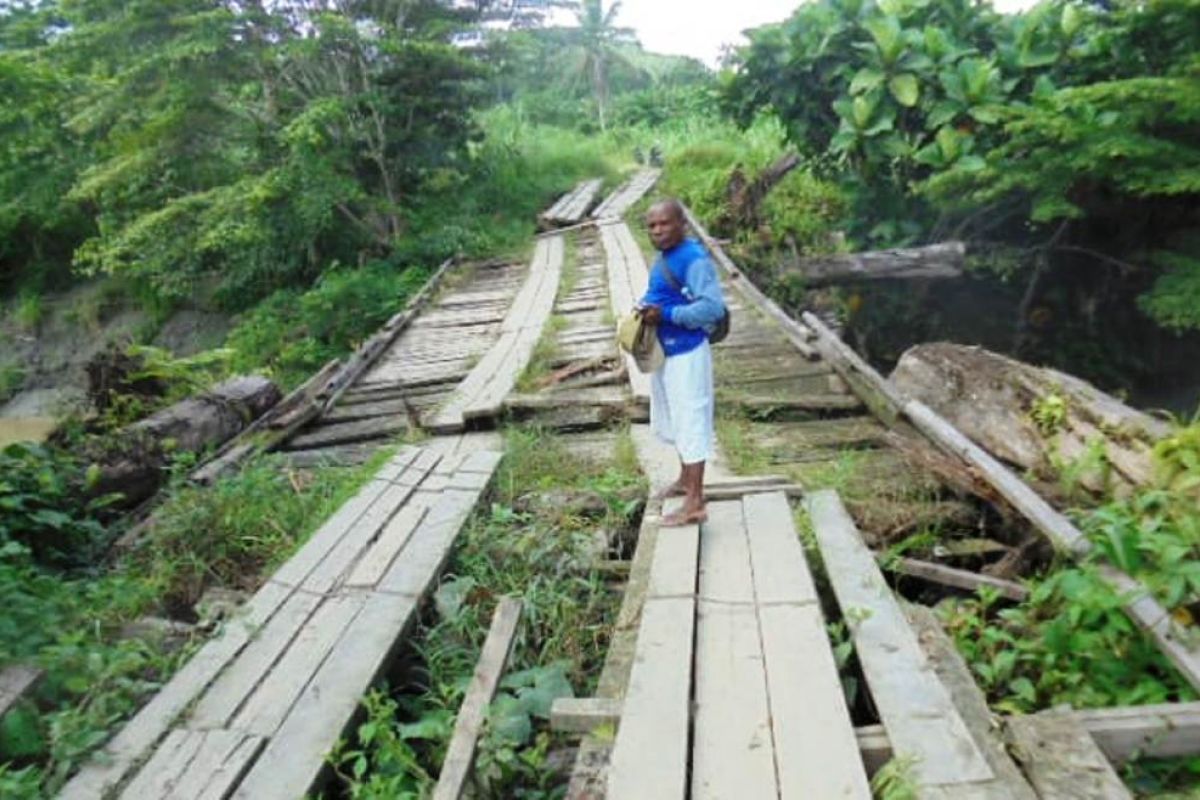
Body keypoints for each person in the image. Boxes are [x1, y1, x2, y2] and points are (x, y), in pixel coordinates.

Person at [638, 198, 726, 526]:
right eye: (652, 225)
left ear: (682, 225)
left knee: (690, 418)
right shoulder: (664, 257)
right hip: (667, 350)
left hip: (687, 351)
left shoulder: (694, 260)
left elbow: (712, 308)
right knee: (674, 416)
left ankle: (695, 503)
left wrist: (668, 314)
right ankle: (685, 479)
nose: (658, 230)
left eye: (665, 223)